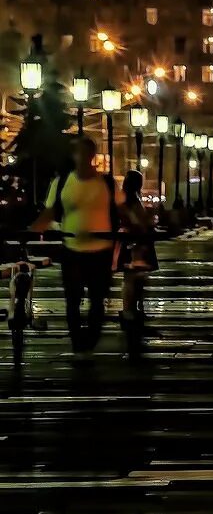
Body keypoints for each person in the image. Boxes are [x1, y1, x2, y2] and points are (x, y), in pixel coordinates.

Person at [31, 137, 118, 359]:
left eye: (86, 153)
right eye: (78, 153)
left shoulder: (106, 184)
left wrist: (140, 224)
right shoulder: (62, 183)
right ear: (74, 156)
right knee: (72, 299)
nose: (82, 158)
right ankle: (78, 344)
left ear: (92, 156)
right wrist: (30, 232)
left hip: (101, 249)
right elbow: (50, 212)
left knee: (97, 300)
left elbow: (124, 208)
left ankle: (90, 340)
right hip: (72, 249)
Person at [117, 169, 158, 327]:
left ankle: (132, 310)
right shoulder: (131, 200)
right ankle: (130, 310)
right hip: (135, 242)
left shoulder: (127, 198)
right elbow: (136, 221)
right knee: (133, 278)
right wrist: (147, 222)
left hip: (133, 240)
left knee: (133, 278)